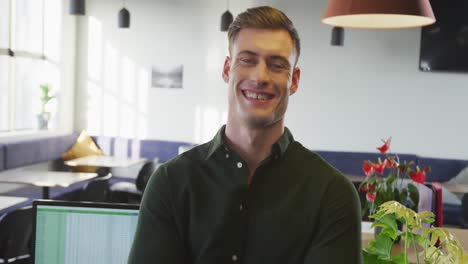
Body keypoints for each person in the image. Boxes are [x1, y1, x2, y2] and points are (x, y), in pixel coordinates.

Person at [128, 6, 361, 264]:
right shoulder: (171, 183)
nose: (260, 76)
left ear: (294, 80)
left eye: (277, 65)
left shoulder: (331, 194)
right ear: (228, 69)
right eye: (247, 60)